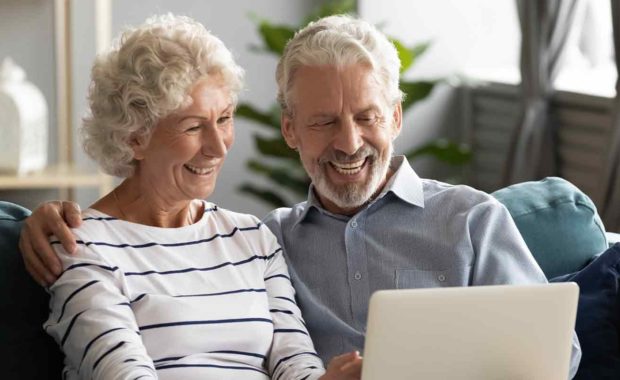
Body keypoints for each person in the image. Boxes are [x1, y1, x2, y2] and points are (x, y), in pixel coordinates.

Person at [20, 14, 581, 378]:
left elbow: (557, 356)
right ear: (291, 131)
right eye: (324, 122)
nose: (350, 142)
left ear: (396, 116)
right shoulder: (273, 237)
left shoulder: (468, 219)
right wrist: (38, 218)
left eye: (367, 117)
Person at [35, 14, 361, 380]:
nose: (218, 146)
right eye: (193, 127)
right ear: (134, 137)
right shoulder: (82, 246)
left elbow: (295, 363)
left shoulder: (252, 238)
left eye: (224, 119)